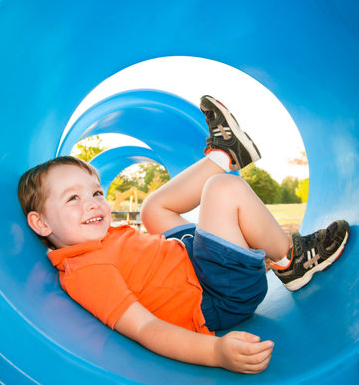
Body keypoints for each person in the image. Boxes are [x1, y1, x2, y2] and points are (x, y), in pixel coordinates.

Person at [17, 95, 350, 375]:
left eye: (96, 193)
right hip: (216, 293)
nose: (93, 204)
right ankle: (291, 259)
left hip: (189, 258)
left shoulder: (96, 241)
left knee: (151, 210)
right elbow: (147, 329)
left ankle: (225, 155)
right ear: (41, 224)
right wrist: (216, 352)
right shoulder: (88, 272)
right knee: (222, 190)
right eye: (73, 198)